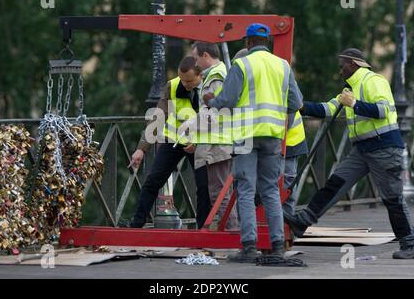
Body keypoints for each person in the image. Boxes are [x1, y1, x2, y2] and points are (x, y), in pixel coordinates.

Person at [284, 48, 414, 259]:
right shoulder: (350, 88)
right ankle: (302, 221)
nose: (340, 71)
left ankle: (409, 243)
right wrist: (301, 107)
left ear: (353, 64)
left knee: (392, 198)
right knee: (335, 184)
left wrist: (354, 104)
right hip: (362, 150)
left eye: (342, 66)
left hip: (384, 148)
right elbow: (328, 109)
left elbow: (383, 110)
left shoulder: (374, 81)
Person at [203, 23, 303, 262]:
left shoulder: (242, 64)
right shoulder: (283, 66)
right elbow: (296, 103)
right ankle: (277, 245)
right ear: (266, 41)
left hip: (247, 135)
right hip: (273, 135)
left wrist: (210, 100)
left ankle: (249, 247)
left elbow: (226, 100)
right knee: (270, 190)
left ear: (247, 42)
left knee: (246, 190)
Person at [128, 56, 211, 229]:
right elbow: (157, 118)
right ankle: (137, 224)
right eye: (183, 80)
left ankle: (203, 228)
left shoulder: (210, 86)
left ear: (200, 75)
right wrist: (141, 149)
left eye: (189, 80)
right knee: (153, 181)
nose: (185, 84)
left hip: (199, 143)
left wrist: (196, 142)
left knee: (204, 186)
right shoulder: (173, 86)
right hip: (173, 140)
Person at [234, 48, 308, 217]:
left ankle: (284, 227)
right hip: (272, 139)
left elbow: (294, 104)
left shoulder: (271, 76)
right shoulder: (272, 74)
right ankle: (276, 230)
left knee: (283, 189)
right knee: (273, 188)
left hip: (287, 141)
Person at [183, 42, 238, 229]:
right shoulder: (216, 75)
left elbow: (216, 113)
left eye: (196, 58)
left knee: (220, 194)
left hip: (218, 144)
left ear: (205, 55)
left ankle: (232, 235)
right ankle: (232, 233)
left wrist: (191, 126)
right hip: (216, 143)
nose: (195, 63)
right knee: (222, 192)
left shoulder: (216, 77)